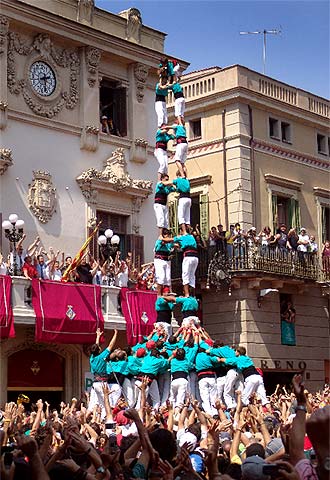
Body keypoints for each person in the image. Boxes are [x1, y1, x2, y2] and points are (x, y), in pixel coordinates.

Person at [87, 328, 118, 418]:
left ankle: (97, 419)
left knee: (97, 404)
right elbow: (111, 345)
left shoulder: (92, 358)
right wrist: (115, 334)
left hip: (95, 384)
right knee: (106, 403)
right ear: (99, 350)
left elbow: (96, 346)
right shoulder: (101, 357)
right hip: (102, 383)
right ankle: (105, 420)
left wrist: (98, 336)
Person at [154, 230, 174, 297]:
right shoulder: (160, 240)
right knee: (161, 277)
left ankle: (167, 293)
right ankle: (159, 294)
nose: (168, 236)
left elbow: (173, 245)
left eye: (168, 234)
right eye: (166, 234)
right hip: (160, 260)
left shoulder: (169, 243)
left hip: (167, 260)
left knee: (167, 278)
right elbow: (163, 242)